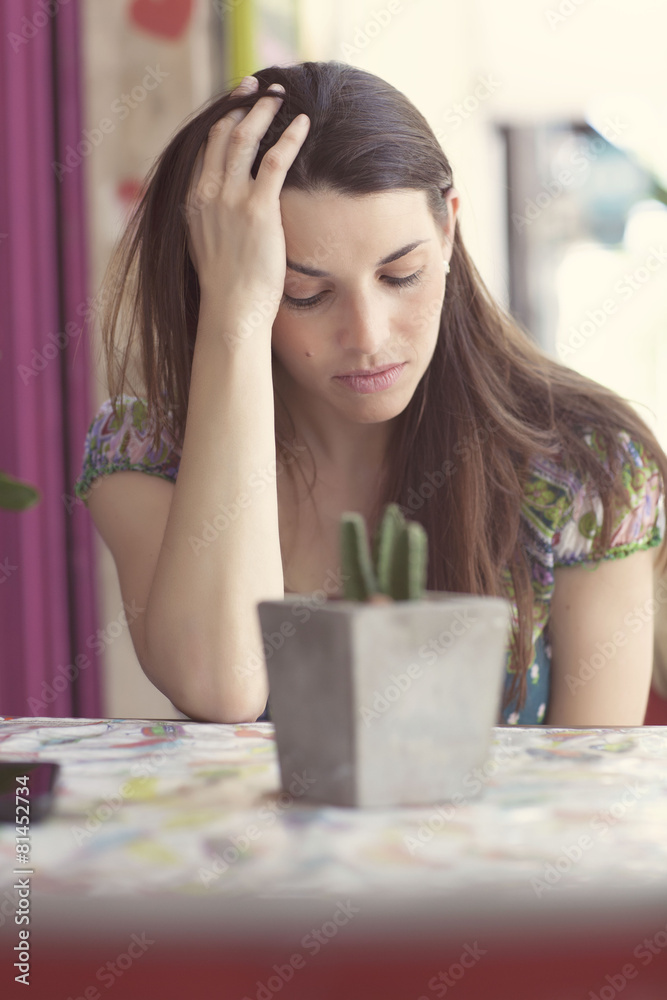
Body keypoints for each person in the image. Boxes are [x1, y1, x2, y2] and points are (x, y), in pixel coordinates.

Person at [74, 61, 667, 727]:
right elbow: (218, 687)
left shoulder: (590, 471)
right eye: (305, 293)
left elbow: (589, 798)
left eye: (401, 275)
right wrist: (234, 318)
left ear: (447, 230)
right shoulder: (148, 448)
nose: (365, 335)